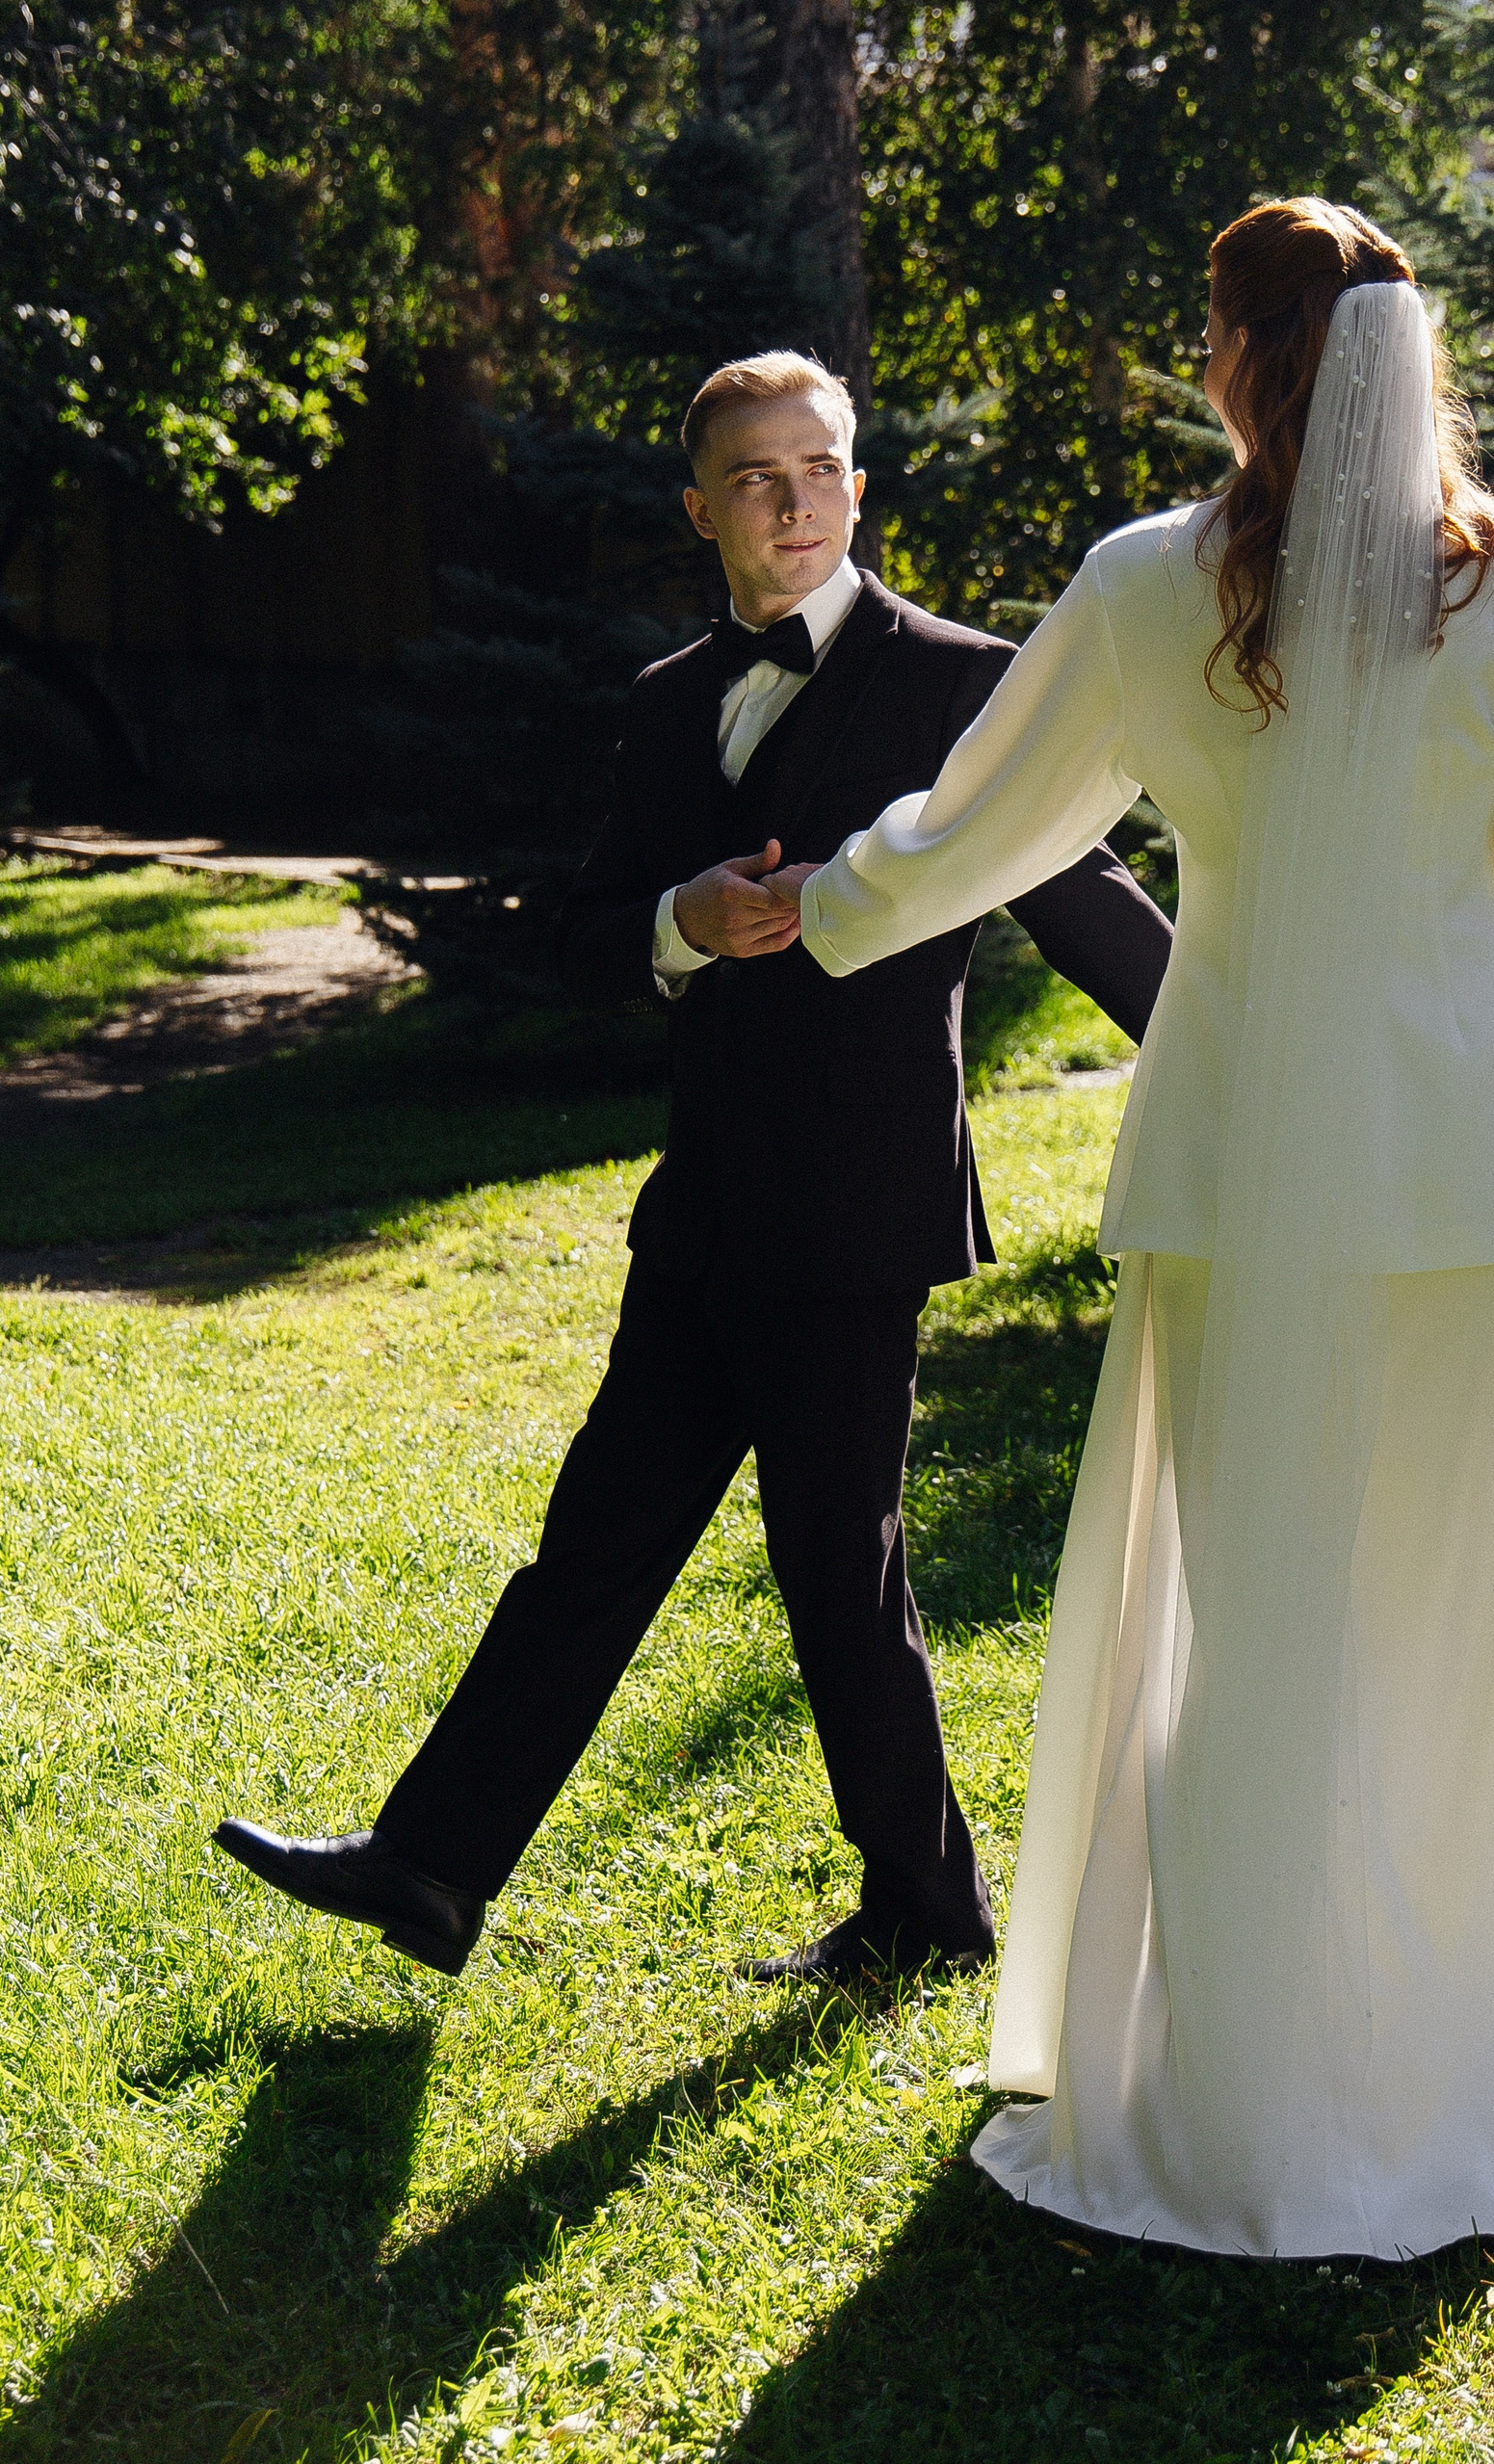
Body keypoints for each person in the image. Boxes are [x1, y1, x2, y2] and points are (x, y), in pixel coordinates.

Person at [782, 202, 1494, 2257]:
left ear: (1233, 356)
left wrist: (824, 902)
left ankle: (1245, 2080)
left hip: (1229, 1154)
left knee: (1245, 1607)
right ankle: (1464, 2061)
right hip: (1461, 1172)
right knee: (1461, 1613)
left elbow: (982, 827)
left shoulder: (1147, 583)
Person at [213, 350, 1172, 1985]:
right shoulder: (667, 701)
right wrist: (681, 922)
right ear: (701, 510)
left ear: (859, 486)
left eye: (820, 470)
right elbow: (588, 933)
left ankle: (928, 1913)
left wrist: (1235, 1051)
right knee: (597, 1539)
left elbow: (1084, 902)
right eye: (754, 479)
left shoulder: (966, 682)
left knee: (837, 1564)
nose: (794, 504)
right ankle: (432, 1869)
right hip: (709, 1205)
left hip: (859, 1208)